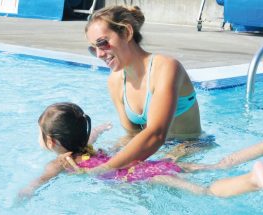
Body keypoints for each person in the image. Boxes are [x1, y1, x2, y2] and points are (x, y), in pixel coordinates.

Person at [19, 102, 263, 202]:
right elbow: (87, 136)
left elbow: (39, 182)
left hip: (141, 176)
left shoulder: (62, 162)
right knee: (215, 167)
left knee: (207, 190)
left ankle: (255, 180)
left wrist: (25, 193)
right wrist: (98, 131)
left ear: (52, 141)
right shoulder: (87, 146)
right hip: (145, 164)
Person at [84, 5, 202, 169]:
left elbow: (156, 135)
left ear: (126, 32)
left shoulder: (166, 67)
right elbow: (133, 135)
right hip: (154, 150)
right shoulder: (115, 82)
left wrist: (103, 169)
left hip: (190, 147)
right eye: (93, 48)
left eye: (102, 43)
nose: (98, 54)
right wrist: (101, 155)